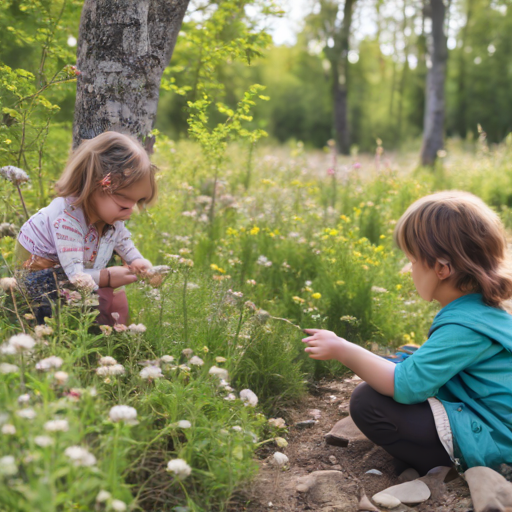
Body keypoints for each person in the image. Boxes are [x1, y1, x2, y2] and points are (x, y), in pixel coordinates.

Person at [303, 191, 512, 478]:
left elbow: (406, 385)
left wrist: (342, 348)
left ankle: (447, 465)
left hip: (497, 440)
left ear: (441, 268)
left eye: (412, 260)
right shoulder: (482, 310)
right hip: (491, 419)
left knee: (368, 403)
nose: (407, 269)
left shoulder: (463, 328)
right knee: (398, 359)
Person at [15, 131, 156, 325]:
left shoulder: (110, 219)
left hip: (74, 270)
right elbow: (75, 277)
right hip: (40, 272)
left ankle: (111, 336)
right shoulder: (68, 221)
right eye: (124, 205)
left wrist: (136, 260)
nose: (130, 211)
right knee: (50, 310)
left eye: (136, 203)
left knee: (112, 302)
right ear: (95, 187)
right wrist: (106, 278)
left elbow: (122, 240)